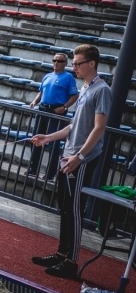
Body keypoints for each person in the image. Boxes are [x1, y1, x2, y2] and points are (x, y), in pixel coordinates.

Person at [31, 44, 111, 279]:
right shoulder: (85, 88)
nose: (73, 67)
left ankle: (71, 261)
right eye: (73, 63)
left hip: (81, 158)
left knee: (74, 209)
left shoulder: (101, 90)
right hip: (69, 153)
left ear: (91, 63)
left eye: (77, 63)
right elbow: (73, 126)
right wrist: (48, 137)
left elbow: (99, 128)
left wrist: (80, 156)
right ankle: (62, 252)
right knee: (65, 207)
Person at [26, 53, 79, 181]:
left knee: (53, 143)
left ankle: (50, 174)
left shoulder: (68, 77)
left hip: (56, 111)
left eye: (59, 61)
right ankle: (33, 169)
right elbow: (41, 91)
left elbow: (74, 95)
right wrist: (34, 102)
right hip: (43, 108)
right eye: (54, 60)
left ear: (65, 63)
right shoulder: (48, 76)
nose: (56, 63)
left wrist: (64, 107)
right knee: (36, 139)